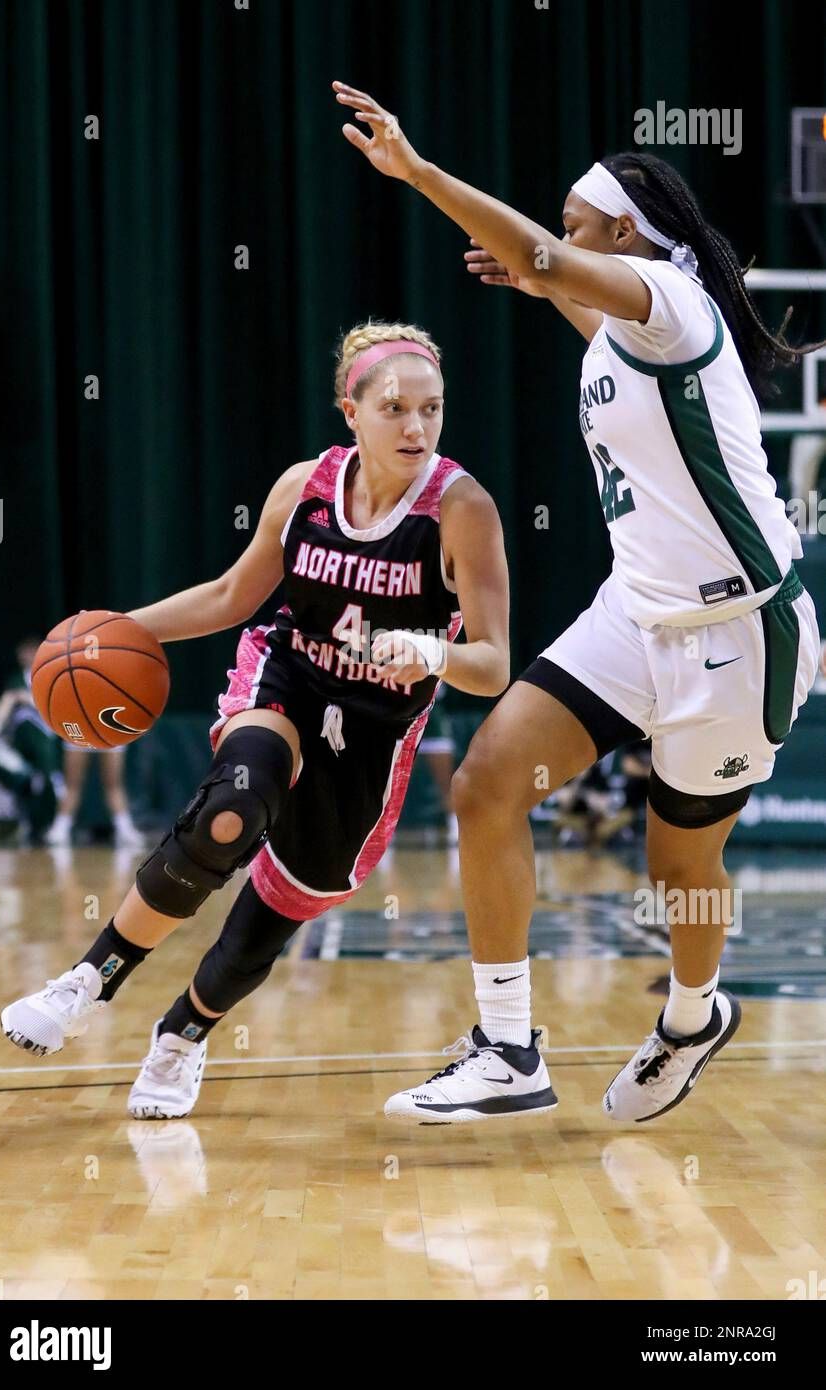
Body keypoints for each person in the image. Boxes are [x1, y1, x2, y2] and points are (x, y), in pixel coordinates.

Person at [333, 80, 822, 1123]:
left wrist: (420, 175)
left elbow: (551, 262)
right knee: (483, 785)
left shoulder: (674, 304)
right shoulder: (618, 333)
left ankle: (692, 1016)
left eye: (573, 223)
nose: (555, 236)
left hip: (736, 629)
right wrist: (533, 279)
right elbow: (556, 280)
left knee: (677, 861)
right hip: (632, 614)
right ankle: (507, 1047)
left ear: (625, 234)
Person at [0, 320, 512, 1119]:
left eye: (432, 409)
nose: (416, 427)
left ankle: (180, 1040)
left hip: (374, 734)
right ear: (351, 409)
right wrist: (110, 632)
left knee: (270, 918)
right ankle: (87, 982)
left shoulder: (462, 507)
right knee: (232, 811)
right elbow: (230, 597)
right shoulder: (305, 487)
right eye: (394, 408)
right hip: (290, 679)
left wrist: (430, 650)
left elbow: (494, 661)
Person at [0, 637, 145, 848]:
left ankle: (125, 829)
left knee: (114, 784)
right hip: (80, 726)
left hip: (109, 726)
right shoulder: (63, 671)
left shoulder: (114, 669)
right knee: (72, 784)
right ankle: (60, 828)